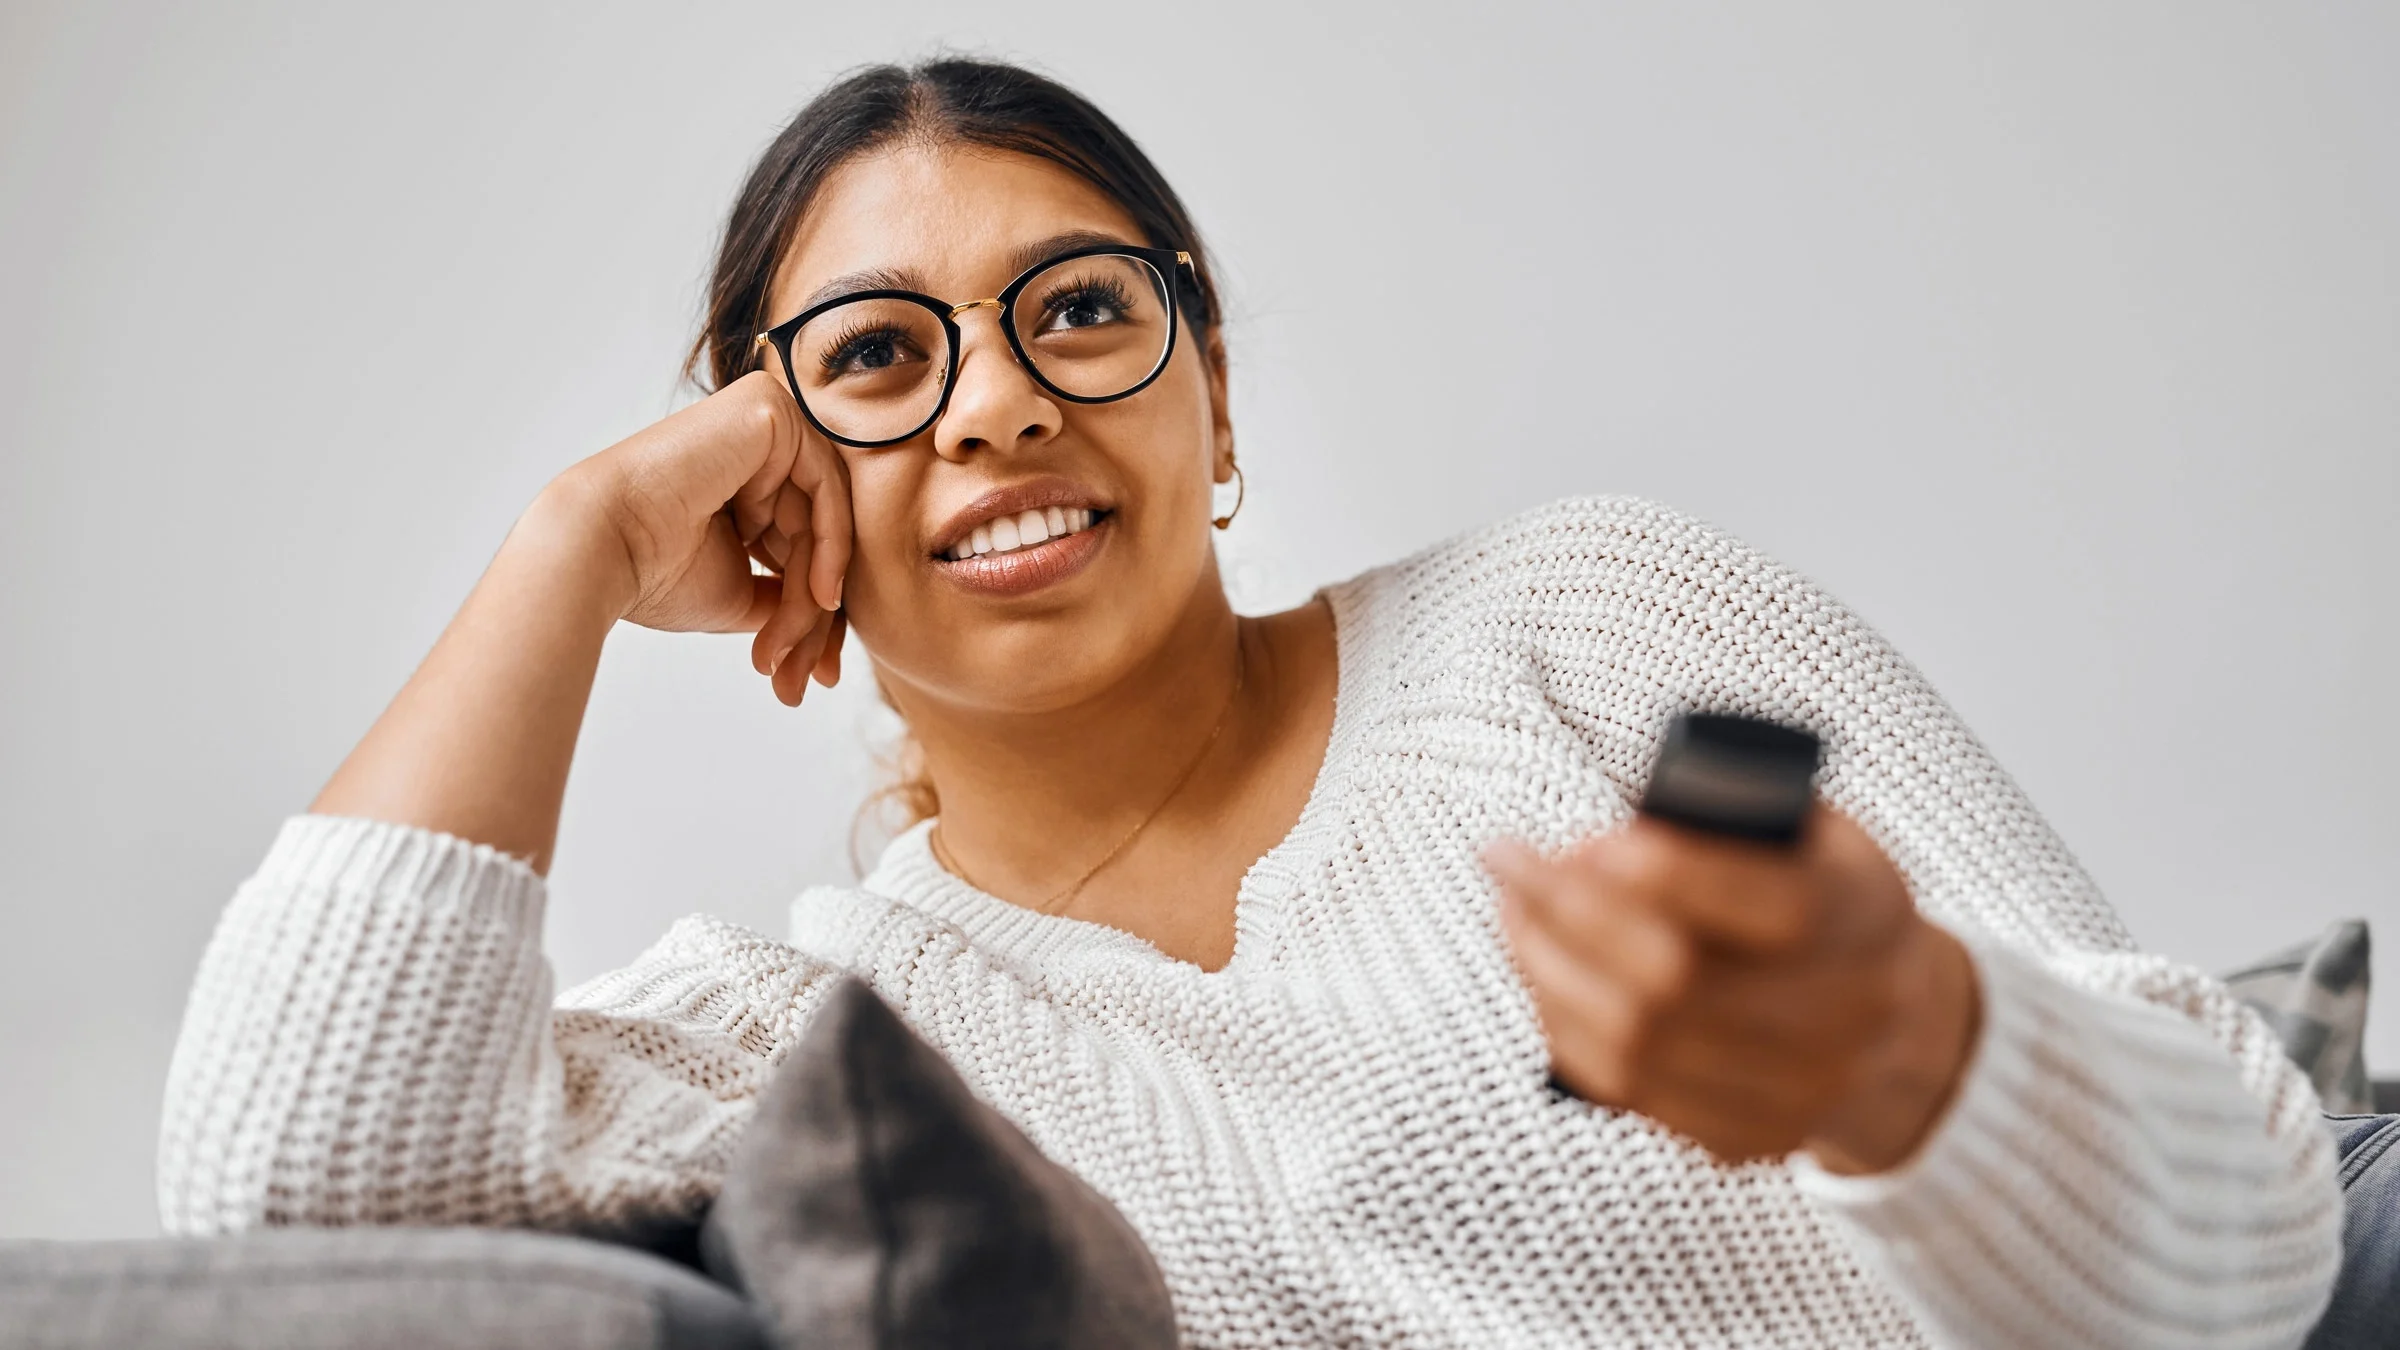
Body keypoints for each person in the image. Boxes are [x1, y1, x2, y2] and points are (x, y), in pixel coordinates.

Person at [157, 58, 2345, 1348]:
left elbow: (2255, 1229)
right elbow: (280, 1200)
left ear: (1211, 403)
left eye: (1078, 311)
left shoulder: (1575, 620)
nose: (999, 402)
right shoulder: (830, 1052)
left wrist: (1909, 1060)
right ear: (771, 487)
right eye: (881, 361)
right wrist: (558, 553)